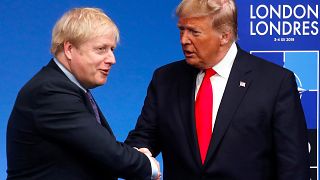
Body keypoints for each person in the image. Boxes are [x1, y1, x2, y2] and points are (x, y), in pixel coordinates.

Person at [125, 0, 310, 179]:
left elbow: (293, 166)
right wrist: (140, 155)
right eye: (182, 30)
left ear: (225, 35)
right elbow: (145, 137)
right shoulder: (165, 79)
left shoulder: (275, 82)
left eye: (194, 32)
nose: (184, 40)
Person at [6, 8, 160, 180]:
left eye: (112, 49)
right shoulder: (49, 92)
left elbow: (98, 154)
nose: (112, 59)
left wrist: (131, 156)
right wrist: (147, 164)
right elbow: (108, 152)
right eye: (101, 49)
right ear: (69, 49)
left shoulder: (69, 88)